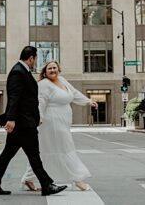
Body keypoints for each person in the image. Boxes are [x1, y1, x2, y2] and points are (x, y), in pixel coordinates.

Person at [0, 47, 68, 197]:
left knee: (8, 155)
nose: (35, 62)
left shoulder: (22, 71)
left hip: (22, 123)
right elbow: (14, 97)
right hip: (23, 124)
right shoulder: (18, 72)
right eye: (35, 59)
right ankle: (47, 184)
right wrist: (11, 119)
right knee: (33, 155)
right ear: (31, 58)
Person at [20, 61, 97, 192]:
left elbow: (74, 93)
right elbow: (40, 102)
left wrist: (88, 101)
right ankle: (78, 180)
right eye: (49, 68)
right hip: (51, 122)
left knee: (45, 151)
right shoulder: (43, 85)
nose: (52, 70)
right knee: (66, 148)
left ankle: (28, 179)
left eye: (54, 67)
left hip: (63, 122)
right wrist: (40, 118)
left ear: (59, 69)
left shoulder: (62, 80)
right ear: (45, 72)